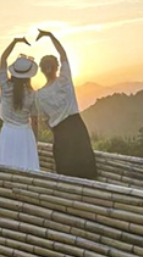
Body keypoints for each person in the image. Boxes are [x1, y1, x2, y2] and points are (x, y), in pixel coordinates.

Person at [35, 29, 98, 178]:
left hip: (59, 133)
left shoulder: (39, 95)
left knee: (65, 173)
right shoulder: (65, 81)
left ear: (42, 71)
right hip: (76, 128)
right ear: (57, 67)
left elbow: (45, 120)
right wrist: (50, 35)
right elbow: (63, 55)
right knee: (86, 170)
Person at [0, 37, 40, 171]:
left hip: (7, 132)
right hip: (25, 135)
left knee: (5, 166)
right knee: (26, 168)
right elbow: (35, 121)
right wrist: (34, 142)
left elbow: (3, 59)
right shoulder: (32, 94)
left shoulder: (5, 86)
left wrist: (14, 42)